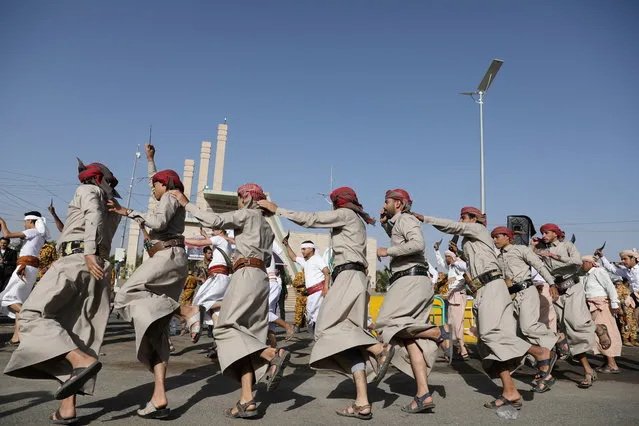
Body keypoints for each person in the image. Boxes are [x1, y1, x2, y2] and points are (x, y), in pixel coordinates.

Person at [259, 187, 392, 420]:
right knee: (348, 340)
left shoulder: (345, 214)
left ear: (338, 203)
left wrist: (277, 210)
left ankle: (378, 349)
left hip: (348, 277)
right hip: (354, 277)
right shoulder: (356, 220)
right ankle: (362, 402)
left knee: (324, 330)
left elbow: (313, 220)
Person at [4, 160, 121, 424]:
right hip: (98, 267)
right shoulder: (112, 204)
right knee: (74, 335)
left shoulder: (89, 190)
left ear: (94, 177)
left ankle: (80, 361)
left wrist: (88, 251)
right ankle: (68, 407)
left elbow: (90, 215)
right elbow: (91, 221)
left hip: (77, 260)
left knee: (31, 315)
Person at [413, 207, 553, 410]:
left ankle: (537, 351)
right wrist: (459, 251)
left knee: (489, 335)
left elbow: (453, 226)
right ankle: (510, 391)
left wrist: (425, 218)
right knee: (488, 346)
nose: (460, 220)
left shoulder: (478, 229)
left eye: (464, 217)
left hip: (492, 287)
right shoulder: (471, 240)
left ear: (475, 219)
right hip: (484, 290)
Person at [169, 183, 290, 419]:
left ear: (246, 198)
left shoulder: (246, 214)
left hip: (245, 273)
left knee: (225, 327)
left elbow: (213, 220)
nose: (237, 201)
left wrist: (186, 203)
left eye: (238, 196)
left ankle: (271, 354)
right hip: (261, 278)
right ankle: (248, 400)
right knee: (246, 337)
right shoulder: (266, 225)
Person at [109, 144, 189, 418]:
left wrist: (125, 211)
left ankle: (185, 310)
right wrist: (151, 161)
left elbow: (156, 221)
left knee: (125, 294)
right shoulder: (166, 195)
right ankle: (159, 398)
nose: (152, 190)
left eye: (154, 185)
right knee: (156, 335)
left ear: (164, 184)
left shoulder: (170, 197)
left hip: (165, 257)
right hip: (169, 259)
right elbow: (156, 197)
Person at [375, 188, 444, 413]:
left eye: (387, 202)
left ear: (399, 204)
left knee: (385, 324)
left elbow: (417, 244)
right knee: (410, 341)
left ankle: (434, 332)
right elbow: (401, 240)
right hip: (410, 280)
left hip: (410, 279)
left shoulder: (406, 219)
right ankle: (423, 394)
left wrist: (387, 251)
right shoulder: (399, 222)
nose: (383, 205)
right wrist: (386, 224)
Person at [492, 226, 558, 392]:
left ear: (507, 237)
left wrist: (551, 283)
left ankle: (558, 338)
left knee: (528, 327)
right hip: (512, 297)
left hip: (527, 291)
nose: (494, 240)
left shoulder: (521, 250)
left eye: (497, 237)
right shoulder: (498, 257)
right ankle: (545, 375)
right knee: (519, 336)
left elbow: (539, 265)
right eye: (493, 237)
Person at [538, 223, 596, 389]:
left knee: (575, 324)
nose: (544, 236)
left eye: (547, 233)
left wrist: (556, 257)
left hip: (573, 288)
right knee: (565, 330)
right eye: (542, 233)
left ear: (555, 234)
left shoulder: (567, 246)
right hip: (557, 291)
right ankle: (587, 371)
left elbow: (577, 262)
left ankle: (596, 327)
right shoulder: (542, 250)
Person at [0, 211, 48, 344]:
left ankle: (33, 318)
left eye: (25, 222)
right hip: (29, 268)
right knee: (18, 300)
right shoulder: (39, 234)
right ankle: (17, 337)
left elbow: (7, 235)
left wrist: (2, 223)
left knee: (7, 298)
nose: (24, 224)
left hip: (25, 267)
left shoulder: (33, 231)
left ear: (31, 221)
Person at [581, 255, 622, 373]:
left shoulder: (598, 272)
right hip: (593, 307)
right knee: (599, 335)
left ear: (589, 263)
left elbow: (610, 286)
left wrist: (614, 303)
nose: (582, 265)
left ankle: (612, 365)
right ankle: (607, 362)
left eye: (583, 262)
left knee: (604, 334)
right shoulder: (588, 275)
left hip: (601, 307)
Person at [282, 238, 329, 335]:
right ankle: (318, 338)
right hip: (311, 294)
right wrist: (287, 245)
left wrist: (326, 287)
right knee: (311, 318)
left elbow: (327, 272)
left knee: (317, 318)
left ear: (311, 249)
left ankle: (321, 339)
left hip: (318, 292)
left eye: (304, 249)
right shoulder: (306, 261)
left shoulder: (317, 259)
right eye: (301, 249)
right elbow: (293, 257)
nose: (302, 251)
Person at [434, 239, 469, 360]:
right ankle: (459, 348)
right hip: (452, 296)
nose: (445, 259)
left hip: (458, 295)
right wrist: (436, 250)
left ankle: (462, 349)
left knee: (457, 324)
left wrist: (457, 257)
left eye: (446, 257)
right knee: (453, 323)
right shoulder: (450, 266)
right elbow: (440, 263)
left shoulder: (458, 264)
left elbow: (466, 268)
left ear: (450, 256)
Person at [596, 248, 639, 334]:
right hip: (634, 299)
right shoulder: (627, 271)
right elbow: (612, 269)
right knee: (633, 319)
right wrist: (602, 256)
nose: (623, 261)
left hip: (635, 297)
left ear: (633, 259)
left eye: (625, 259)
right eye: (622, 259)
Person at [614, 277, 638, 346]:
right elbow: (617, 299)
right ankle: (625, 339)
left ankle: (632, 339)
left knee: (633, 324)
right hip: (624, 309)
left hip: (631, 309)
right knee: (625, 324)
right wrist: (620, 309)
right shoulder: (620, 288)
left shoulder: (629, 288)